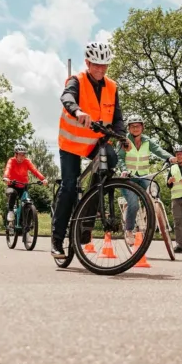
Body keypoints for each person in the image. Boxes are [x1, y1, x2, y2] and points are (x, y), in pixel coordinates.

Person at [51, 41, 128, 258]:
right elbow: (66, 98)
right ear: (87, 63)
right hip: (72, 145)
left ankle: (86, 216)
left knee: (110, 160)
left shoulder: (112, 87)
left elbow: (117, 118)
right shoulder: (76, 81)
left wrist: (121, 136)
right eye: (96, 65)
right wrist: (77, 111)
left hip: (96, 143)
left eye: (105, 65)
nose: (101, 69)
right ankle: (57, 240)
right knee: (68, 186)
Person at [118, 114, 175, 244]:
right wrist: (124, 170)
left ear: (142, 127)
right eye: (132, 126)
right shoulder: (124, 141)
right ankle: (129, 230)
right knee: (133, 204)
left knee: (154, 190)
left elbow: (159, 150)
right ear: (129, 128)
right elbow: (120, 158)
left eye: (138, 126)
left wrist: (170, 157)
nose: (135, 128)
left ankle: (152, 217)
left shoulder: (147, 141)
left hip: (144, 176)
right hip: (129, 178)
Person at [2, 143, 48, 227]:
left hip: (23, 186)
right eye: (20, 154)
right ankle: (11, 211)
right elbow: (7, 169)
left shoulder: (27, 161)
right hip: (13, 184)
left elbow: (35, 171)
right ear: (16, 154)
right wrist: (6, 178)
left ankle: (27, 227)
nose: (22, 157)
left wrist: (43, 179)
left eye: (23, 155)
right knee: (12, 193)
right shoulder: (11, 161)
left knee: (28, 203)